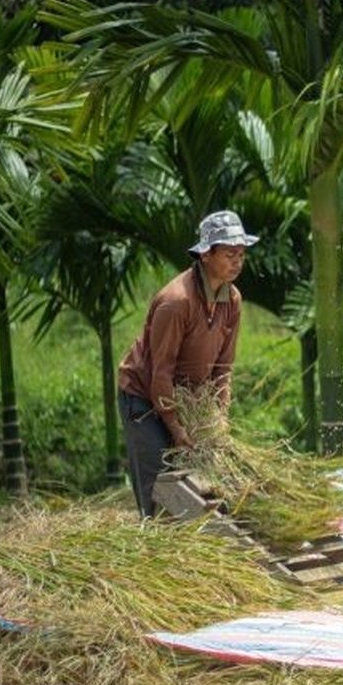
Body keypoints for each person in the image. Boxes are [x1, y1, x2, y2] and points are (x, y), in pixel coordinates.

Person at [116, 210, 259, 517]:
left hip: (186, 396)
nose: (237, 261)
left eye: (241, 254)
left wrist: (218, 416)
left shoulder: (232, 300)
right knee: (160, 486)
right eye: (230, 254)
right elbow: (161, 372)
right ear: (206, 255)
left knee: (201, 485)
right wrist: (176, 427)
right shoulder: (176, 302)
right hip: (144, 397)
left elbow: (223, 368)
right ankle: (156, 548)